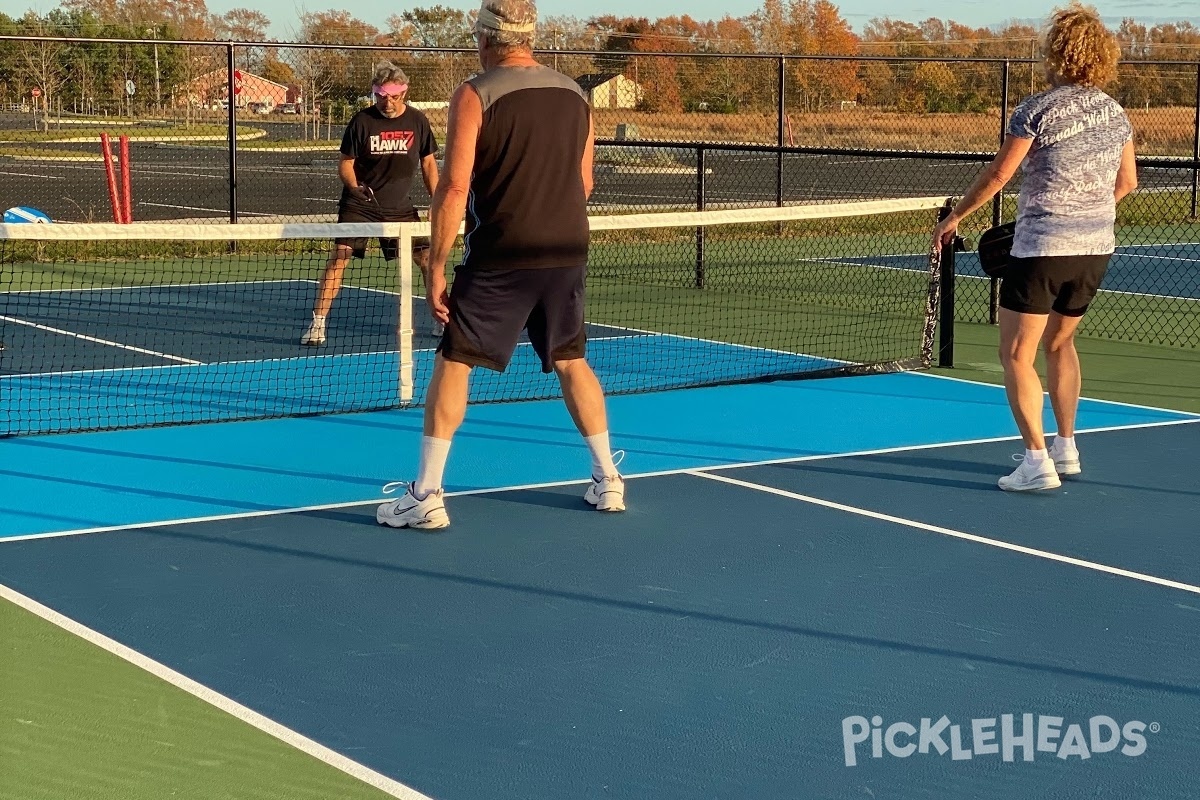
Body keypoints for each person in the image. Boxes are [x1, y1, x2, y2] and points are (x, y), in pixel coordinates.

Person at [376, 0, 625, 529]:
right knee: (571, 359)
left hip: (503, 253)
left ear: (486, 39)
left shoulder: (474, 94)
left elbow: (453, 186)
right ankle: (608, 480)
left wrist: (436, 266)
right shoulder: (576, 96)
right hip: (567, 249)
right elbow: (584, 184)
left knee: (455, 360)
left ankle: (426, 495)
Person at [933, 3, 1137, 492]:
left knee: (1017, 355)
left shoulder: (1037, 109)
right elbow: (1128, 182)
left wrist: (955, 217)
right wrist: (1088, 211)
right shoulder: (1115, 112)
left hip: (1044, 247)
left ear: (1057, 53)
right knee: (1062, 343)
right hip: (1095, 249)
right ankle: (1066, 448)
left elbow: (1001, 174)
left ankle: (1037, 462)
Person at [301, 63, 440, 346]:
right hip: (360, 204)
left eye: (392, 96)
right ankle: (317, 324)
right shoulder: (362, 121)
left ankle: (441, 321)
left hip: (399, 207)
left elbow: (428, 164)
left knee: (428, 260)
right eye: (380, 96)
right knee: (340, 256)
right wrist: (354, 187)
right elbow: (346, 163)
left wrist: (438, 200)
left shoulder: (418, 122)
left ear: (404, 92)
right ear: (375, 94)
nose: (386, 102)